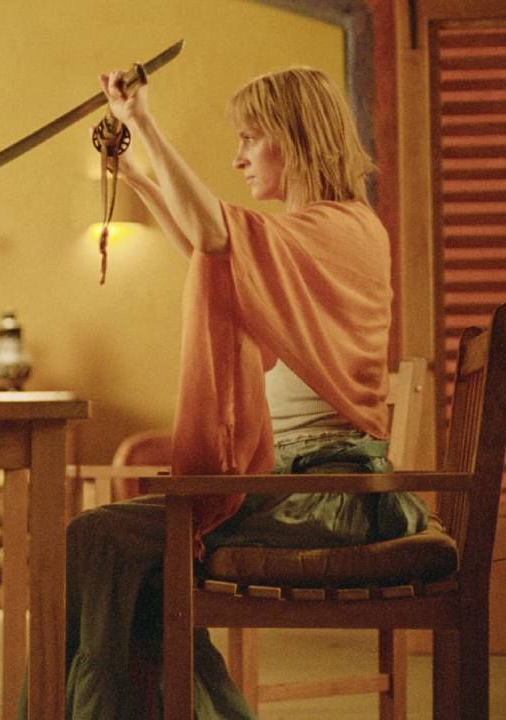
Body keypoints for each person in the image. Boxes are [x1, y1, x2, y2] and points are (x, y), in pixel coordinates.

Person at [29, 68, 430, 718]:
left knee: (98, 540)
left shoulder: (342, 229)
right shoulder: (317, 232)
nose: (238, 157)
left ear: (293, 139)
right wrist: (135, 174)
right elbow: (209, 248)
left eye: (250, 137)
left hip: (329, 497)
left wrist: (143, 123)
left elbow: (216, 236)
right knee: (110, 549)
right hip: (292, 489)